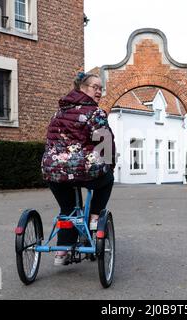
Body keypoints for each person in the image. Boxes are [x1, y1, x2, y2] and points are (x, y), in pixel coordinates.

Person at [41, 72, 116, 265]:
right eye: (95, 87)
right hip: (84, 170)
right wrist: (110, 164)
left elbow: (50, 140)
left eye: (101, 88)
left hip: (53, 170)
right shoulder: (94, 112)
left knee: (68, 209)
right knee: (107, 179)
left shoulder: (58, 112)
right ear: (82, 89)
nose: (99, 91)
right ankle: (94, 216)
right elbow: (105, 143)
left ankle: (62, 252)